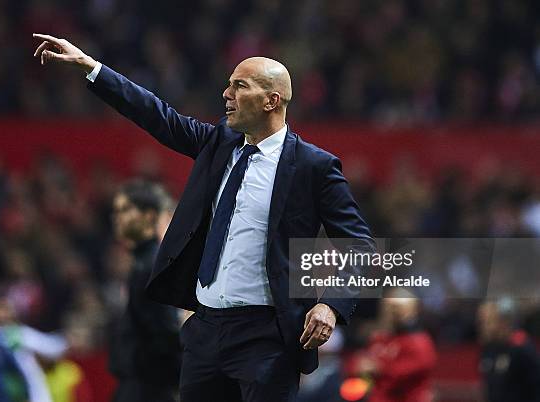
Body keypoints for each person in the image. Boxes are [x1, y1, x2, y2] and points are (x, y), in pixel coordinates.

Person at [33, 33, 374, 402]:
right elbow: (155, 114)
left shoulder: (314, 166)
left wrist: (331, 305)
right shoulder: (218, 143)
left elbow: (360, 245)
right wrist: (90, 67)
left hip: (267, 337)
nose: (226, 94)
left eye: (239, 86)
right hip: (205, 332)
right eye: (228, 85)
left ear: (271, 101)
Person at [109, 180, 181, 402]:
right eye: (116, 211)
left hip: (149, 388)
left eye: (125, 210)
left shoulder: (151, 265)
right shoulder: (142, 263)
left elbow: (166, 330)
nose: (117, 217)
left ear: (150, 216)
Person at [352, 289, 436, 402]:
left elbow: (406, 373)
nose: (392, 312)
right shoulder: (379, 338)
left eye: (397, 308)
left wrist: (377, 368)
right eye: (388, 307)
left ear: (412, 310)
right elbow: (360, 366)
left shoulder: (419, 342)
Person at [477, 298, 540, 402]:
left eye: (487, 322)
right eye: (480, 322)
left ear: (503, 322)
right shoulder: (487, 350)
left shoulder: (521, 348)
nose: (482, 327)